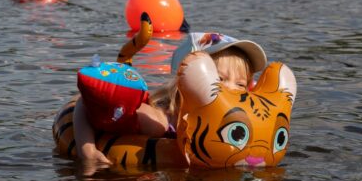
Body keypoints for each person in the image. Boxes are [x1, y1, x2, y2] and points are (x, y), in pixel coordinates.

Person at [73, 32, 268, 167]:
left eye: (241, 84)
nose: (232, 89)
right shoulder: (159, 121)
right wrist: (87, 149)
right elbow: (85, 103)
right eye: (220, 79)